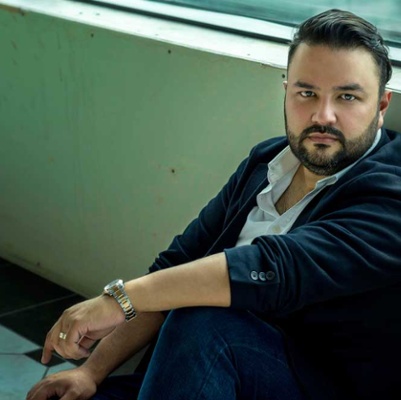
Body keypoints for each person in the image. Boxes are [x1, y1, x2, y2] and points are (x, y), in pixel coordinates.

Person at [27, 8, 401, 400]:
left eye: (347, 97)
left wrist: (120, 300)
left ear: (381, 106)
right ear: (287, 91)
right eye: (306, 93)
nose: (323, 116)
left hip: (310, 385)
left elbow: (273, 268)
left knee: (203, 320)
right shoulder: (267, 162)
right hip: (201, 374)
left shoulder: (390, 191)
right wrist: (91, 371)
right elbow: (178, 267)